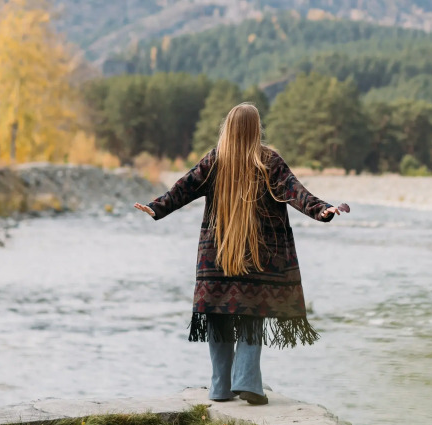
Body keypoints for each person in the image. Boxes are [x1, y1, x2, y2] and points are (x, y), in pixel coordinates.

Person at [134, 102, 349, 405]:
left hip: (216, 256)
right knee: (251, 312)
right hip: (259, 258)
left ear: (228, 127)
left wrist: (156, 207)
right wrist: (321, 209)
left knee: (218, 316)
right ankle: (247, 382)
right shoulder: (269, 161)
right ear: (255, 129)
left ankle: (221, 387)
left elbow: (183, 188)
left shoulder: (215, 161)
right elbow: (296, 192)